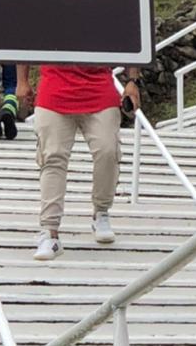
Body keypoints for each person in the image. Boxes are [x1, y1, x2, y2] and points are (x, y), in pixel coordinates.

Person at [16, 63, 141, 260]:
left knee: (108, 151)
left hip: (99, 90)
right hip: (53, 91)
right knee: (52, 157)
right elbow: (26, 39)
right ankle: (49, 231)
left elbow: (130, 37)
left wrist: (133, 80)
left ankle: (101, 212)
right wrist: (22, 81)